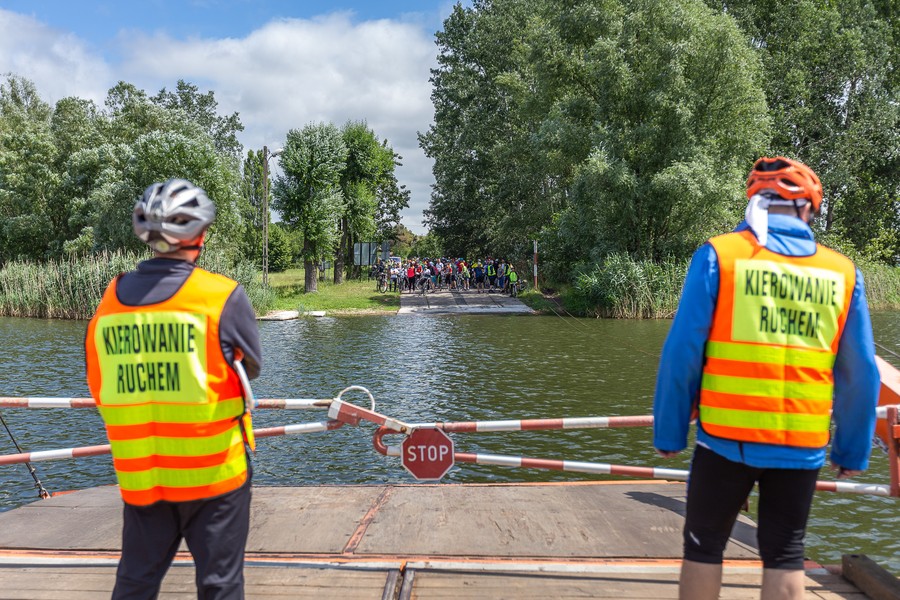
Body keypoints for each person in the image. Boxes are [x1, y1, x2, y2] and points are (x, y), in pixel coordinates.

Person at [653, 157, 879, 600]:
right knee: (786, 553)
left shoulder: (722, 255)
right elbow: (860, 370)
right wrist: (851, 448)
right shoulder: (843, 272)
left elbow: (683, 351)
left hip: (724, 440)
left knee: (703, 547)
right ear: (809, 210)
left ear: (755, 198)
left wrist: (670, 428)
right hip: (802, 444)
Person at [85, 179, 262, 599]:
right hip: (214, 477)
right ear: (199, 234)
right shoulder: (221, 296)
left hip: (144, 477)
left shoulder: (108, 302)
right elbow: (250, 369)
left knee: (135, 583)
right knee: (220, 586)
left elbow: (98, 384)